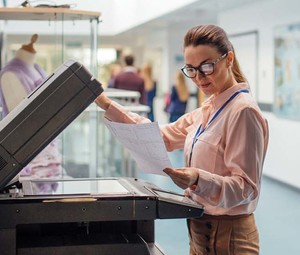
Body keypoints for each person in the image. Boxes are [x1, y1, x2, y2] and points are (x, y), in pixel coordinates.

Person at [95, 24, 269, 255]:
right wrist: (107, 104)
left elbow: (245, 188)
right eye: (192, 69)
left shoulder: (242, 112)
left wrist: (198, 179)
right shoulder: (209, 108)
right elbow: (162, 137)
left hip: (229, 238)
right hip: (199, 230)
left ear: (229, 59)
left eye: (207, 66)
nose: (199, 77)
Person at [0, 34, 64, 187]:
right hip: (30, 157)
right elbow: (24, 122)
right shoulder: (10, 74)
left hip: (48, 152)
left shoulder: (37, 68)